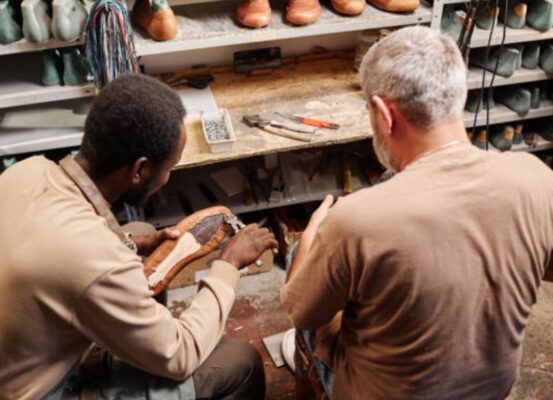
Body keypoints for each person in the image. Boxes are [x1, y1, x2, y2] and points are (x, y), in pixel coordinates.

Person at [281, 26, 553, 400]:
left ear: (383, 114)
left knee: (303, 254)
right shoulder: (535, 176)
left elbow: (301, 314)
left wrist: (314, 237)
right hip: (491, 390)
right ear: (460, 95)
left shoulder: (355, 219)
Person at [0, 74, 277, 400]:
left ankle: (139, 338)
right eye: (169, 167)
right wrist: (227, 265)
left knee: (142, 233)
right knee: (239, 362)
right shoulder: (95, 259)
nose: (168, 177)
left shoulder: (27, 170)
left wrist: (128, 244)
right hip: (42, 388)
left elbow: (59, 244)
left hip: (17, 352)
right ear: (139, 170)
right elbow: (180, 356)